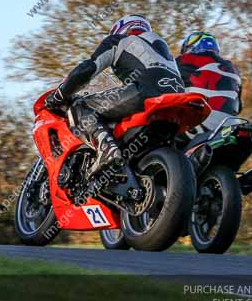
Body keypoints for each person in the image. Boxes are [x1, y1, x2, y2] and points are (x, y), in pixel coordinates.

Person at [44, 15, 184, 181]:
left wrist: (60, 94)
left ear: (120, 29)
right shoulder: (165, 52)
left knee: (79, 106)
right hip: (177, 101)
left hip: (144, 92)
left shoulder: (119, 40)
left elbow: (87, 69)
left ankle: (106, 149)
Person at [176, 31, 242, 134]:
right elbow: (239, 106)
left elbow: (164, 80)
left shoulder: (184, 60)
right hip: (230, 127)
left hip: (197, 125)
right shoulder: (233, 69)